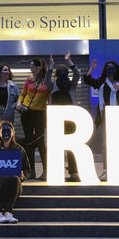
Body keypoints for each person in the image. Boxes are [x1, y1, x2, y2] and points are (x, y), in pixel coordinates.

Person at [0, 121, 30, 223]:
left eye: (9, 131)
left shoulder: (19, 150)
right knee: (4, 178)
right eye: (3, 131)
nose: (6, 133)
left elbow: (27, 169)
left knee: (12, 177)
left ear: (13, 133)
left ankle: (8, 212)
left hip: (14, 185)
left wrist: (23, 176)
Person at [15, 57, 52, 180]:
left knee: (41, 142)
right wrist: (19, 103)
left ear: (39, 67)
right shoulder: (28, 80)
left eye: (32, 66)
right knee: (29, 142)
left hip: (40, 113)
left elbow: (50, 97)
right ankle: (31, 171)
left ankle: (47, 170)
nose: (31, 69)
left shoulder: (47, 82)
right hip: (26, 113)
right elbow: (22, 94)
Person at [50, 51, 81, 181]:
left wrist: (69, 61)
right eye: (60, 72)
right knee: (56, 146)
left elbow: (77, 74)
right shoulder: (53, 85)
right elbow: (46, 79)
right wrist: (51, 66)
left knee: (71, 146)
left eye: (65, 72)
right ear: (57, 75)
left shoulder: (71, 85)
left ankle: (74, 173)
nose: (63, 74)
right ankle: (56, 172)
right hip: (56, 118)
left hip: (70, 118)